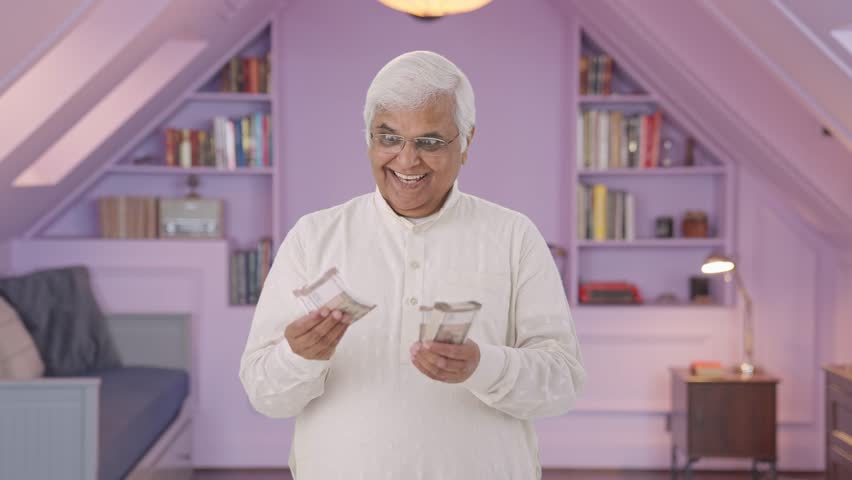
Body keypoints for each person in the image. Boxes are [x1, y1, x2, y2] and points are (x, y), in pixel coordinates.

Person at [240, 50, 585, 480]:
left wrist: (483, 365)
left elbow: (563, 383)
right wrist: (299, 356)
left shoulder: (514, 236)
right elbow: (265, 395)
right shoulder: (313, 238)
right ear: (368, 139)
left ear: (467, 142)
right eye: (389, 138)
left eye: (429, 142)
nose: (407, 160)